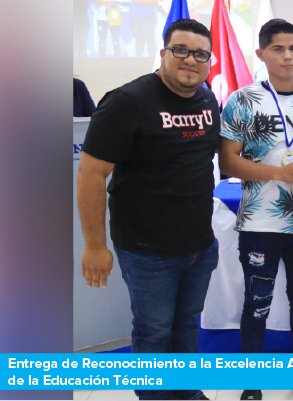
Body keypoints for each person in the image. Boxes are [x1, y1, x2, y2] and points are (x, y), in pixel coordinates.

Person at [77, 19, 220, 400]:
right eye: (181, 50)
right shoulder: (127, 101)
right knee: (154, 332)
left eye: (201, 54)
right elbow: (92, 175)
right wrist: (94, 245)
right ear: (163, 53)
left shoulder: (207, 98)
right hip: (146, 251)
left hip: (199, 246)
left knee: (187, 325)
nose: (191, 60)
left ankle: (187, 392)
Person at [217, 18, 293, 400]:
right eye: (278, 49)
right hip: (260, 219)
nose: (288, 57)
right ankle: (251, 381)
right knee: (257, 302)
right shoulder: (242, 100)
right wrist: (277, 172)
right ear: (261, 54)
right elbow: (228, 163)